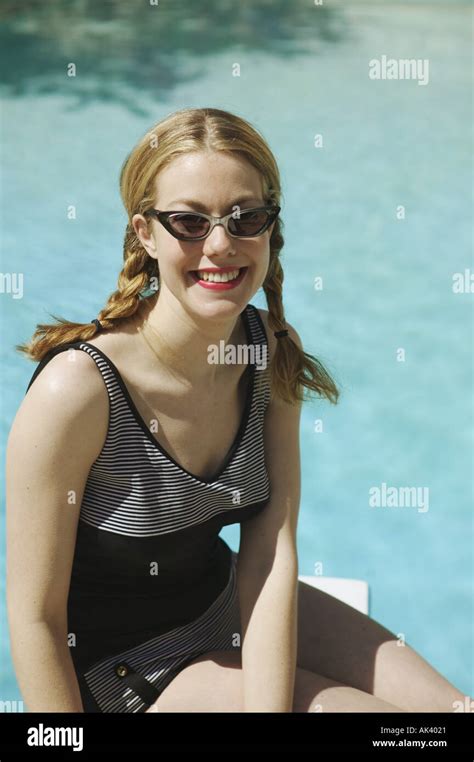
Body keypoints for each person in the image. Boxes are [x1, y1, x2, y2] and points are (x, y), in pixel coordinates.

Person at [6, 107, 466, 713]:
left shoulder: (266, 352)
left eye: (245, 217)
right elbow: (36, 618)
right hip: (124, 666)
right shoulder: (80, 390)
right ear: (145, 233)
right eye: (189, 221)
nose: (220, 245)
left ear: (271, 228)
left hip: (226, 604)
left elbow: (271, 554)